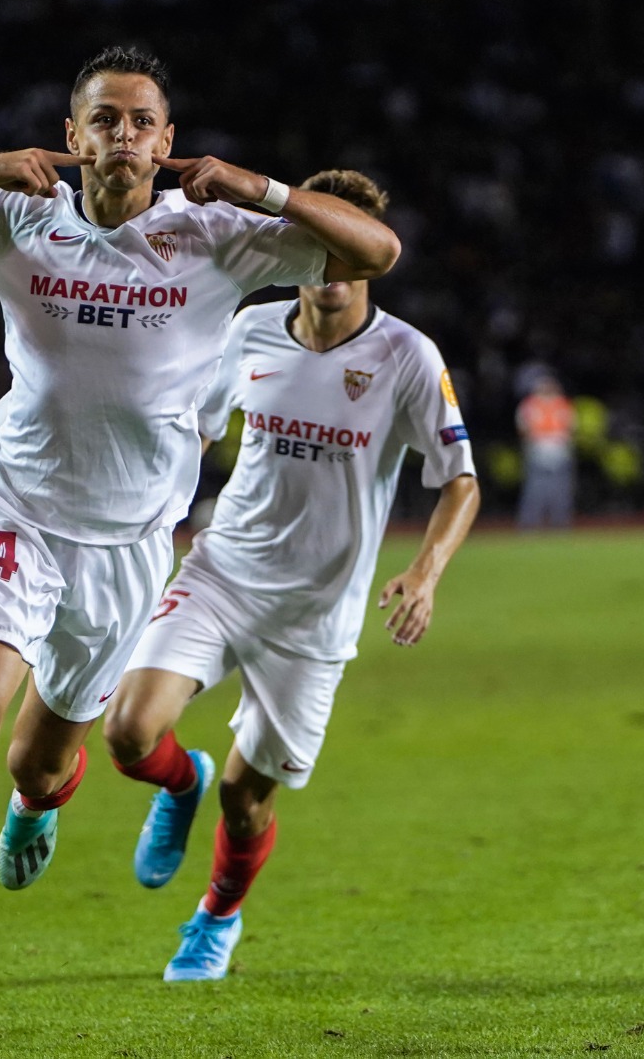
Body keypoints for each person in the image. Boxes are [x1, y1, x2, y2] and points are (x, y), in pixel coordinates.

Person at [0, 48, 400, 1049]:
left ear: (169, 143)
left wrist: (263, 189)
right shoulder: (18, 215)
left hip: (130, 544)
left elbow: (375, 255)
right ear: (73, 131)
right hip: (14, 510)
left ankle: (39, 799)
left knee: (43, 763)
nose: (122, 138)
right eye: (103, 120)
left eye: (141, 121)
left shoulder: (218, 236)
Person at [99, 169, 479, 981]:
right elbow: (193, 434)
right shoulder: (251, 330)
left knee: (248, 801)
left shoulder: (408, 358)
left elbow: (461, 478)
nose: (334, 270)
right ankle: (179, 781)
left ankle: (217, 916)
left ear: (372, 263)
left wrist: (426, 571)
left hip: (318, 613)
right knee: (129, 734)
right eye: (320, 249)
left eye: (351, 255)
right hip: (224, 571)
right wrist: (149, 514)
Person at [515, 373, 575, 528]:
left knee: (560, 490)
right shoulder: (530, 404)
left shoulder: (562, 404)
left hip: (558, 449)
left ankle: (560, 522)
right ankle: (530, 523)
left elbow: (571, 427)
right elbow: (523, 428)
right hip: (539, 448)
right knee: (535, 489)